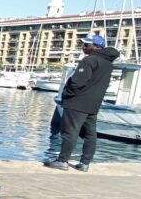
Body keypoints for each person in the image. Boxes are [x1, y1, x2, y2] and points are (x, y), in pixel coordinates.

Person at [44, 34, 119, 172]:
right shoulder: (108, 64)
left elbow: (77, 82)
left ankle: (62, 160)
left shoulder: (89, 60)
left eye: (86, 45)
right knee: (90, 134)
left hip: (77, 102)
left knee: (70, 131)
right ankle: (85, 163)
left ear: (96, 47)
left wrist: (67, 95)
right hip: (93, 104)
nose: (83, 47)